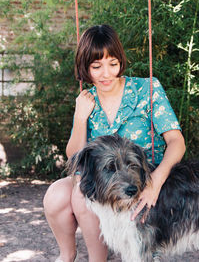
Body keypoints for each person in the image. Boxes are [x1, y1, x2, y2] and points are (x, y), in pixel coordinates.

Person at [43, 24, 186, 262]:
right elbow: (75, 157)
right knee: (56, 196)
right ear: (86, 67)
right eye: (96, 66)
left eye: (113, 63)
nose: (106, 73)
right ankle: (67, 255)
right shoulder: (87, 99)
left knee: (80, 192)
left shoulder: (147, 89)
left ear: (120, 61)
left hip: (143, 176)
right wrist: (80, 116)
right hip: (106, 179)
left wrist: (156, 181)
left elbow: (177, 142)